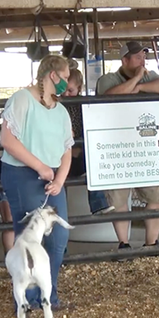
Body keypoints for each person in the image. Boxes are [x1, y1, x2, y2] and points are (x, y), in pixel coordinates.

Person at [0, 54, 74, 310]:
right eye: (64, 77)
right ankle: (26, 300)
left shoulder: (61, 111)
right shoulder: (22, 99)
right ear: (52, 75)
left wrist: (59, 179)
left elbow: (67, 149)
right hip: (22, 173)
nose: (66, 82)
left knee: (58, 236)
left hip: (51, 177)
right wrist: (40, 166)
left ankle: (47, 295)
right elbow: (8, 141)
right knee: (29, 237)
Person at [96, 41, 159, 254]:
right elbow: (109, 95)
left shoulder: (150, 76)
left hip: (146, 150)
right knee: (118, 198)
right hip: (118, 148)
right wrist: (138, 79)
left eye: (143, 56)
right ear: (125, 60)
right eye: (138, 57)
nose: (143, 61)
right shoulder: (108, 79)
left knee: (156, 197)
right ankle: (124, 244)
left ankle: (151, 243)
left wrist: (140, 85)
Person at [62, 67, 114, 215]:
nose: (66, 94)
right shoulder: (57, 105)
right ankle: (60, 212)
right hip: (62, 153)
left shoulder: (86, 106)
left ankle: (98, 205)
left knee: (93, 163)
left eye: (70, 90)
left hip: (80, 153)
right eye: (64, 90)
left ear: (79, 88)